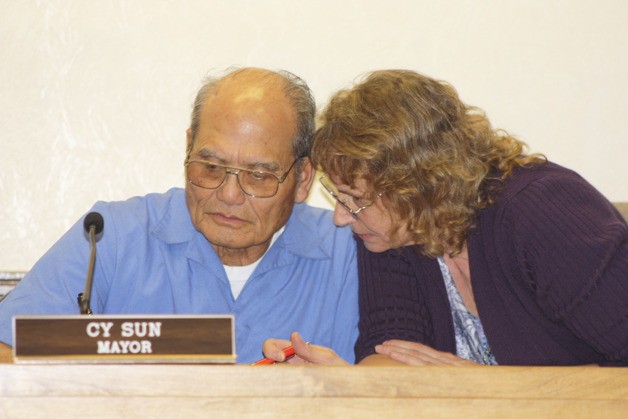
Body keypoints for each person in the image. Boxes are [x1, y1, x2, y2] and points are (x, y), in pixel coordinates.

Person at [262, 69, 628, 366]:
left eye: (354, 199)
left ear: (415, 186)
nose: (341, 218)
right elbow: (392, 351)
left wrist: (495, 390)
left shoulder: (542, 213)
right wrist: (347, 386)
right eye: (337, 196)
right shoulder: (393, 235)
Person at [0, 68, 359, 364]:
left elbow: (400, 381)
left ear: (303, 179)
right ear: (187, 149)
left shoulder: (352, 254)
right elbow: (7, 351)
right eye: (211, 166)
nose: (229, 195)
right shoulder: (111, 237)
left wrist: (333, 396)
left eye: (259, 176)